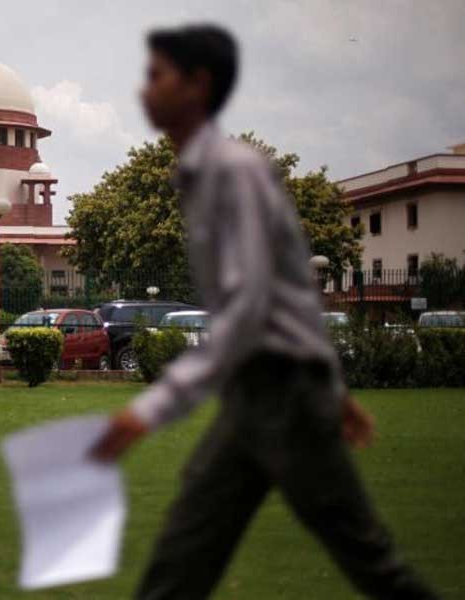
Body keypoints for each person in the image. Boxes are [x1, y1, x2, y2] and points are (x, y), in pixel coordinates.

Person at [92, 24, 438, 600]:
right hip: (260, 396)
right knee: (183, 558)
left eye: (156, 76)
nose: (143, 91)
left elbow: (252, 305)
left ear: (198, 85)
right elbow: (291, 293)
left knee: (369, 561)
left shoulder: (234, 172)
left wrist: (151, 408)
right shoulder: (200, 176)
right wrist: (332, 384)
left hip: (282, 397)